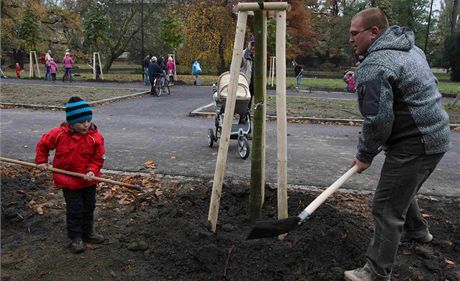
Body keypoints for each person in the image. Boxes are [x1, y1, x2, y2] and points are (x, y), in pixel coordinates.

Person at [344, 8, 451, 281]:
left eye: (355, 33)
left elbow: (378, 120)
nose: (351, 39)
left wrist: (364, 154)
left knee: (385, 206)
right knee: (403, 187)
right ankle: (417, 231)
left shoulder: (375, 65)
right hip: (436, 136)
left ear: (374, 32)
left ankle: (376, 272)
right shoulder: (412, 50)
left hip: (416, 143)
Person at [35, 96, 106, 254]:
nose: (85, 125)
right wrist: (41, 161)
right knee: (75, 209)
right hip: (69, 181)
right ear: (71, 121)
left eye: (88, 120)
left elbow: (98, 157)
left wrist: (92, 171)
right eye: (81, 122)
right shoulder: (59, 134)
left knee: (89, 207)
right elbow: (43, 145)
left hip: (88, 180)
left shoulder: (95, 137)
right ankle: (75, 238)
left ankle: (88, 233)